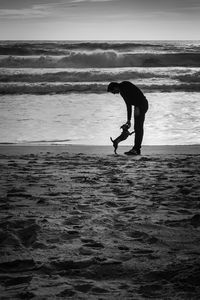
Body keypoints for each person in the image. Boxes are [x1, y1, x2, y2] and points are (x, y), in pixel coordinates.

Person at [107, 81, 148, 155]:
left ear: (115, 87)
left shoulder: (125, 85)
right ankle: (136, 149)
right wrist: (128, 120)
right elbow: (128, 105)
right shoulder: (122, 91)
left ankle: (136, 149)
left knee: (138, 128)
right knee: (137, 128)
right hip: (138, 105)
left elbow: (138, 94)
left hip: (141, 104)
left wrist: (138, 106)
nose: (114, 93)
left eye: (113, 91)